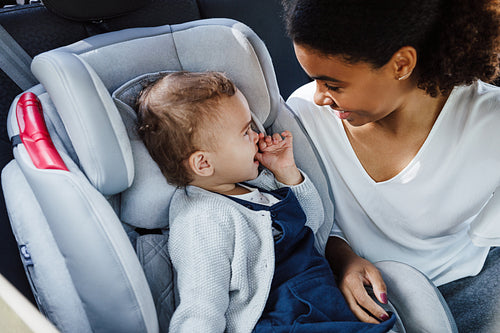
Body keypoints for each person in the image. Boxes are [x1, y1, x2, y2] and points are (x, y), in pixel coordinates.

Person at [281, 0, 500, 331]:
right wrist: (344, 262)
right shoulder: (303, 117)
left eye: (333, 84)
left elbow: (489, 238)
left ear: (401, 64)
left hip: (473, 287)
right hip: (360, 295)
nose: (318, 96)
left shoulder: (490, 124)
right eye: (314, 80)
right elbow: (316, 219)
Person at [136, 71, 396, 332]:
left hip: (323, 302)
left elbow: (315, 224)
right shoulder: (201, 220)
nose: (256, 135)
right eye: (244, 132)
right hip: (282, 319)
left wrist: (286, 173)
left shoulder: (259, 185)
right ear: (203, 163)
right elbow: (201, 306)